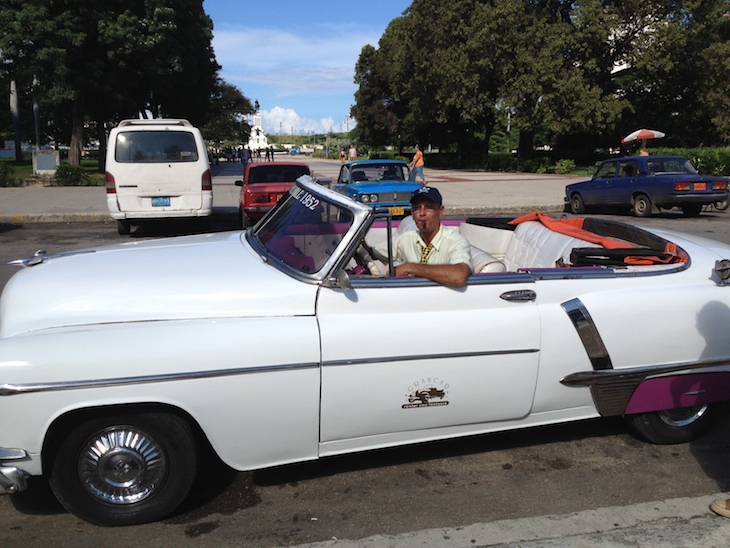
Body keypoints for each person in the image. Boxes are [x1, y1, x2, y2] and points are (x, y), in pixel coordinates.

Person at [371, 186, 472, 287]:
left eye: (429, 207)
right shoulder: (408, 238)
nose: (422, 213)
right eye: (417, 208)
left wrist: (410, 267)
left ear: (440, 211)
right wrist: (361, 247)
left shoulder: (455, 241)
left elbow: (459, 276)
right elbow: (374, 252)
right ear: (412, 213)